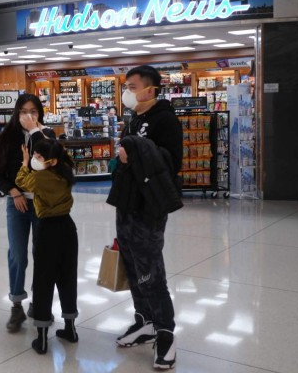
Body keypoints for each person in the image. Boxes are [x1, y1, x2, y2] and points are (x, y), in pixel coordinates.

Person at [110, 65, 183, 370]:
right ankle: (145, 321)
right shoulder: (134, 117)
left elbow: (170, 162)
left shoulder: (165, 119)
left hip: (149, 207)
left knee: (151, 269)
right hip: (126, 203)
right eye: (126, 86)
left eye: (132, 86)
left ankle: (165, 331)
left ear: (150, 88)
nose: (127, 91)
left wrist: (136, 150)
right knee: (132, 263)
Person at [0, 94, 56, 332]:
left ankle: (39, 302)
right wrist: (14, 192)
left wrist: (37, 132)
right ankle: (16, 303)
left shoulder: (48, 136)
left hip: (42, 204)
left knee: (43, 254)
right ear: (16, 113)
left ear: (40, 113)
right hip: (17, 204)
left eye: (34, 111)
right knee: (18, 254)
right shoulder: (7, 138)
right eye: (23, 111)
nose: (28, 116)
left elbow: (53, 167)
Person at [15, 138, 79, 355]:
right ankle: (70, 328)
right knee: (67, 277)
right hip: (68, 228)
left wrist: (25, 162)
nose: (34, 158)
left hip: (47, 229)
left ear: (51, 161)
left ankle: (42, 338)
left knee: (43, 280)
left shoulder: (41, 178)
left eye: (39, 157)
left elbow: (21, 180)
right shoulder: (66, 172)